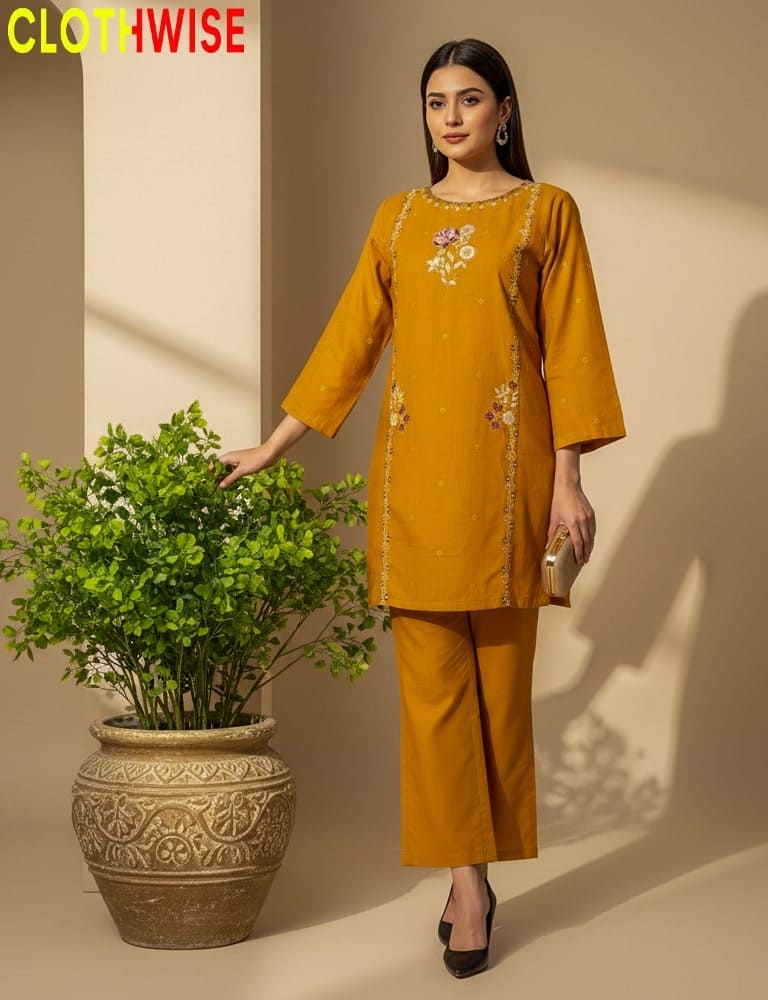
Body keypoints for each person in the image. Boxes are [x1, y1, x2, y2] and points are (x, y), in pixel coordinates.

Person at [219, 37, 625, 979]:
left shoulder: (543, 213)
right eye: (436, 100)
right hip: (415, 483)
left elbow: (571, 351)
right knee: (432, 699)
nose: (450, 116)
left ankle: (478, 870)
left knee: (498, 692)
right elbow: (350, 341)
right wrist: (275, 444)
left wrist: (570, 480)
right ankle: (467, 885)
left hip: (514, 482)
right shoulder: (397, 220)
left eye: (470, 98)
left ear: (505, 111)